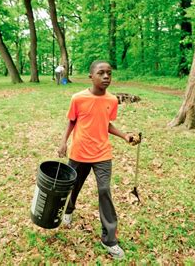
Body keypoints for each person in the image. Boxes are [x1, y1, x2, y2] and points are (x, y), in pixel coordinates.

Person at [57, 60, 140, 260]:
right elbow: (72, 121)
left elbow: (107, 123)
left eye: (109, 74)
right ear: (91, 76)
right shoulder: (78, 98)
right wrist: (63, 142)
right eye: (101, 73)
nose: (106, 77)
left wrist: (125, 136)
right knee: (73, 186)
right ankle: (68, 210)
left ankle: (109, 239)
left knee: (104, 190)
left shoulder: (112, 100)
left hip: (102, 154)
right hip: (79, 152)